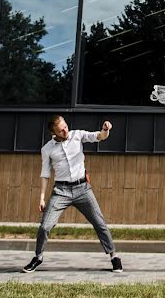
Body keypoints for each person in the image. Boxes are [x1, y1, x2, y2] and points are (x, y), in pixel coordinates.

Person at [22, 115, 123, 274]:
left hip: (83, 188)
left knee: (100, 223)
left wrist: (105, 130)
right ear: (53, 133)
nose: (65, 131)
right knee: (45, 226)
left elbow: (98, 136)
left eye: (66, 126)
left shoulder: (77, 135)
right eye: (61, 130)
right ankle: (38, 257)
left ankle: (114, 257)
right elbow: (45, 173)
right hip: (61, 192)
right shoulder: (47, 149)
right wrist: (42, 197)